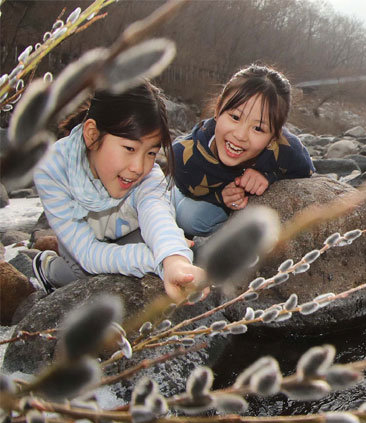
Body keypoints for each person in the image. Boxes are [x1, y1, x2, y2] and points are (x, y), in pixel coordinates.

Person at [32, 82, 207, 302]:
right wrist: (158, 261)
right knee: (81, 273)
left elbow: (157, 216)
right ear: (92, 135)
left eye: (151, 153)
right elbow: (88, 254)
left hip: (129, 231)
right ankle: (48, 268)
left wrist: (175, 259)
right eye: (129, 148)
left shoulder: (149, 176)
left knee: (162, 246)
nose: (138, 167)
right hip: (85, 241)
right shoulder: (53, 171)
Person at [172, 64, 315, 237]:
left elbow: (306, 169)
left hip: (218, 202)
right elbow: (188, 189)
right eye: (235, 117)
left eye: (258, 128)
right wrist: (220, 197)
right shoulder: (184, 156)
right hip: (189, 188)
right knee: (184, 215)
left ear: (273, 137)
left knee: (194, 218)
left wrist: (269, 176)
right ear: (218, 109)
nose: (240, 135)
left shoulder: (286, 149)